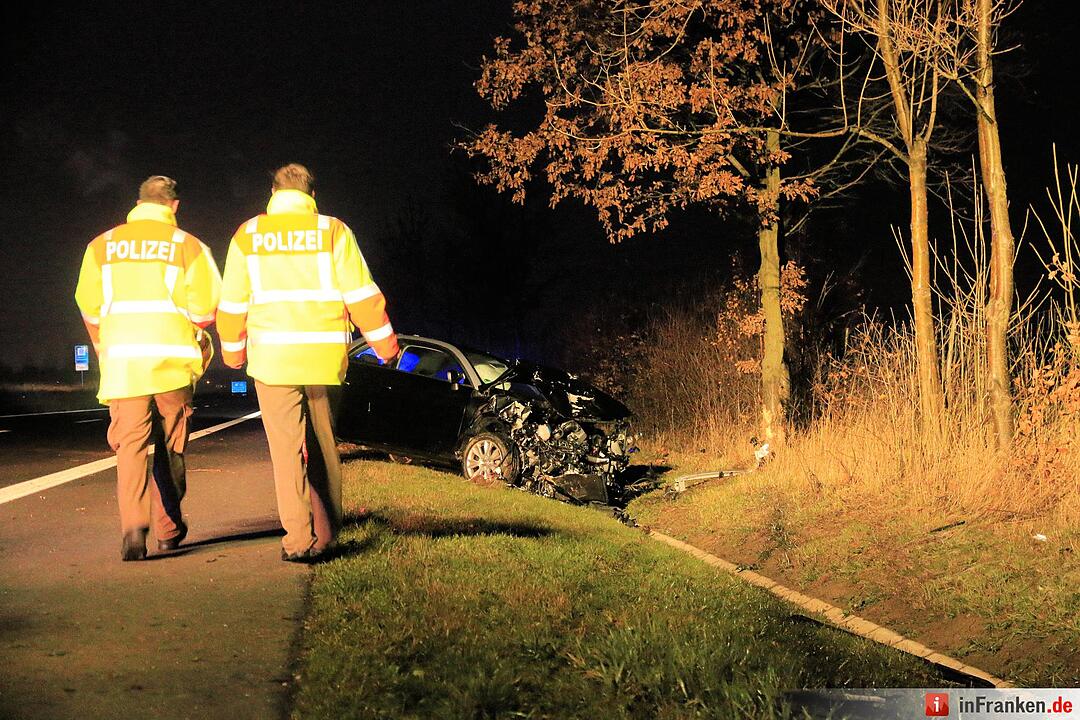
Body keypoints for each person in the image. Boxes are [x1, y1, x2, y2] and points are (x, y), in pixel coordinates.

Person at [217, 163, 399, 562]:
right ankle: (328, 533)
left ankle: (298, 539)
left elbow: (231, 305)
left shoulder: (248, 235)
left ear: (273, 192)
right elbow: (362, 296)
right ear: (312, 196)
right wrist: (386, 348)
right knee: (322, 447)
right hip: (322, 358)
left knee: (285, 451)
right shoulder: (333, 230)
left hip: (271, 359)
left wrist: (232, 352)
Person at [75, 175, 222, 560]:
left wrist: (104, 345)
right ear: (173, 207)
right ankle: (168, 528)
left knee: (131, 447)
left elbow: (89, 307)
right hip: (172, 363)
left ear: (137, 203)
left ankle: (133, 529)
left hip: (124, 365)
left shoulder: (101, 246)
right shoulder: (189, 246)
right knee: (171, 446)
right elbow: (206, 310)